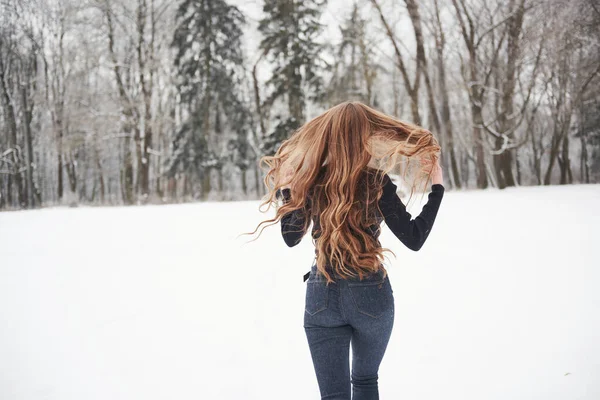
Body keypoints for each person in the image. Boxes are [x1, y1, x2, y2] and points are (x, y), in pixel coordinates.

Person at [245, 101, 445, 400]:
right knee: (364, 381)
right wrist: (437, 189)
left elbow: (290, 237)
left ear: (325, 136)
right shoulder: (377, 181)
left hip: (321, 295)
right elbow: (414, 238)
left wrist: (288, 188)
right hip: (372, 294)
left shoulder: (311, 180)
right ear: (366, 136)